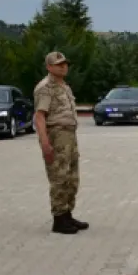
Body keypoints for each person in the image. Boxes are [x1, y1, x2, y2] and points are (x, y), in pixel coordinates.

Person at [33, 51, 88, 234]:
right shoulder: (45, 88)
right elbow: (40, 116)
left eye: (65, 64)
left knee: (72, 178)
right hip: (57, 135)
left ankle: (67, 214)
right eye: (59, 64)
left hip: (69, 135)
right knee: (59, 177)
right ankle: (59, 219)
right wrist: (45, 143)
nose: (63, 67)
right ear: (49, 67)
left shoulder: (64, 86)